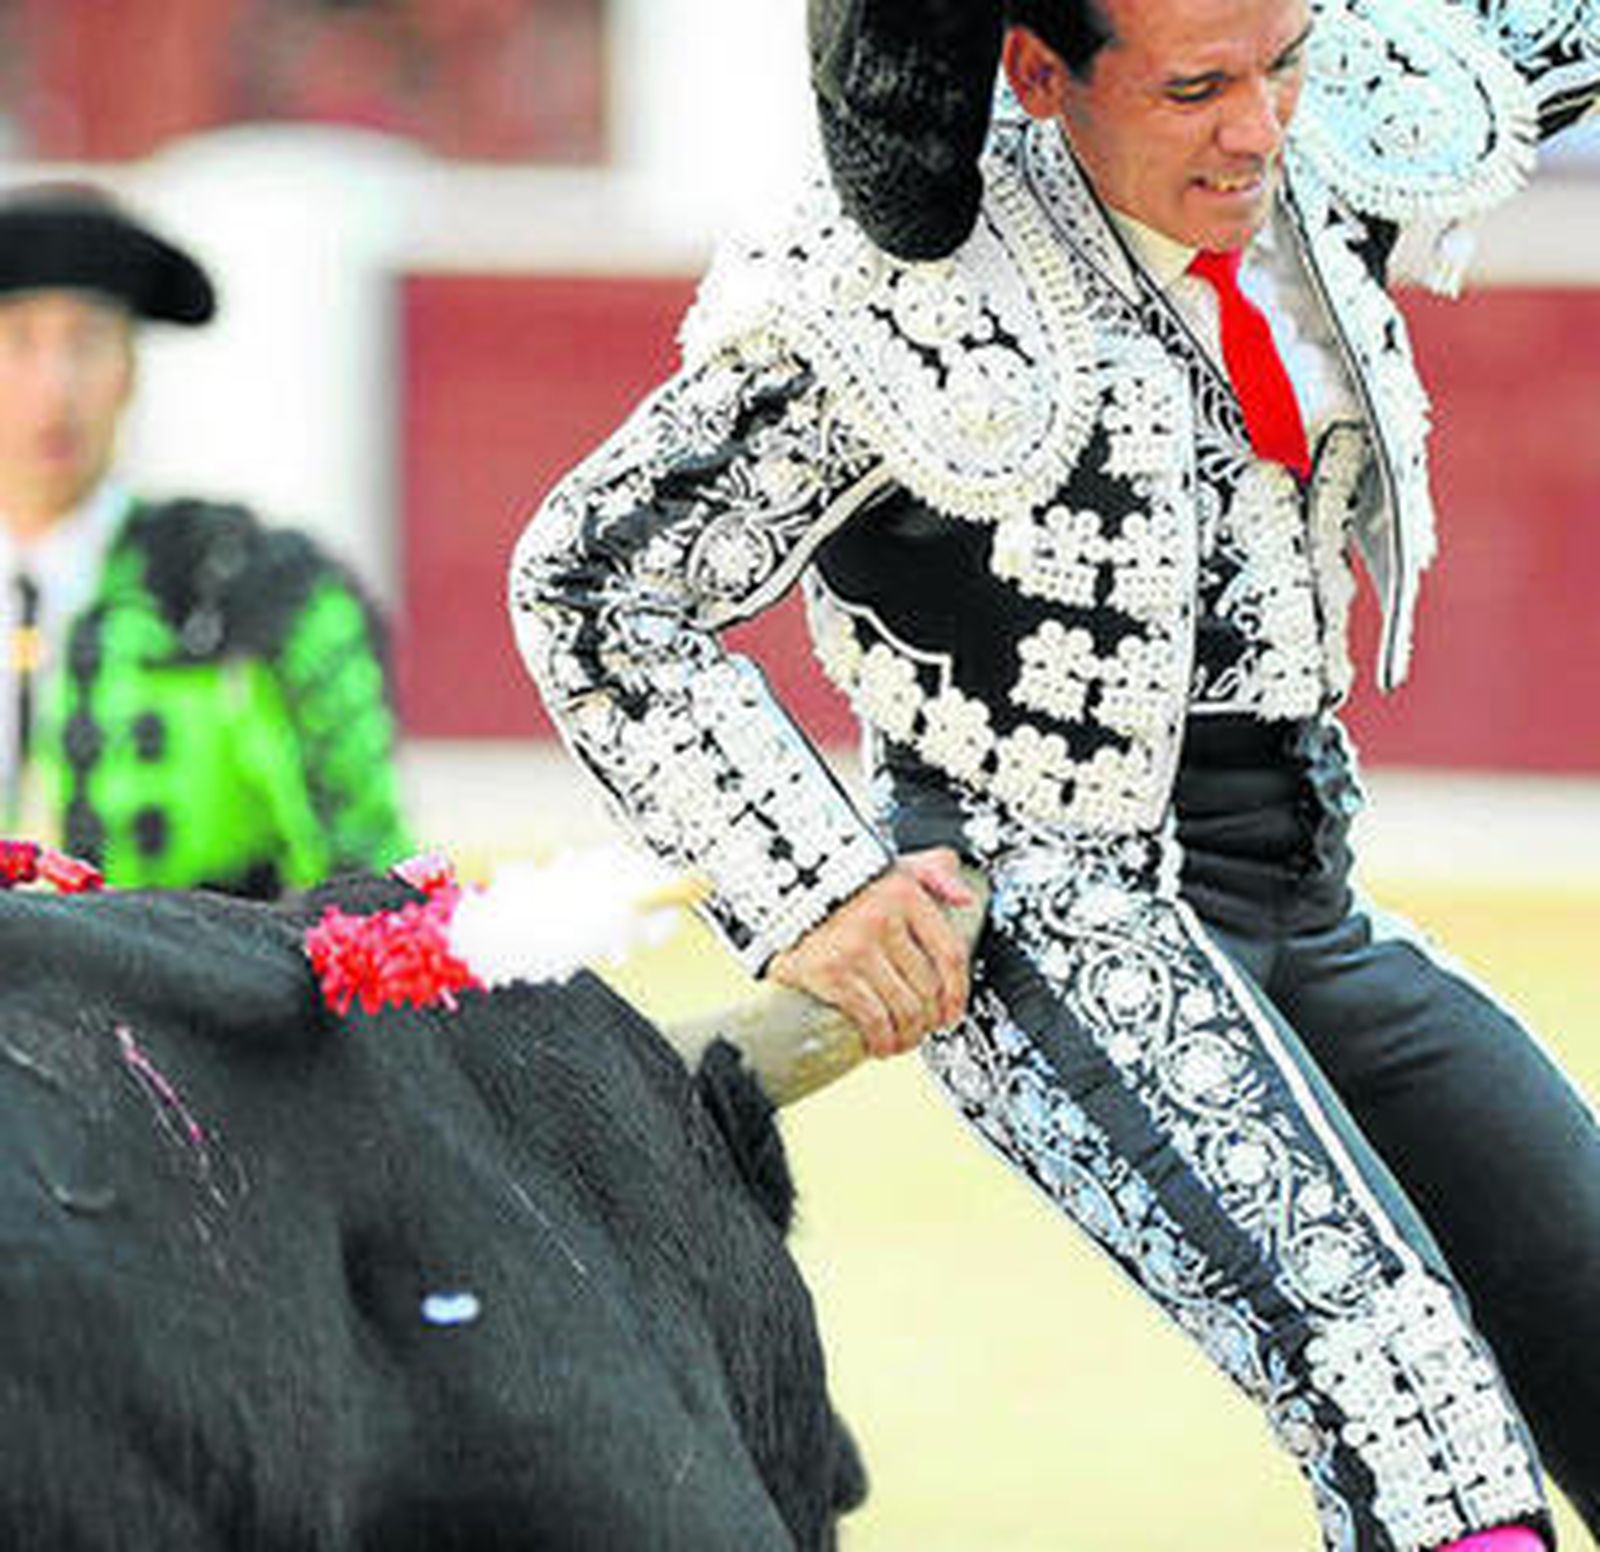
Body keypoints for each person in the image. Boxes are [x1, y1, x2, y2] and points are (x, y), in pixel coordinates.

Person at [509, 2, 1600, 1547]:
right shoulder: (906, 282)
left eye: (1285, 61)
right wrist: (818, 890)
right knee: (1402, 1390)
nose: (1263, 128)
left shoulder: (1301, 150)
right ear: (1037, 71)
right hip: (1048, 918)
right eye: (1199, 88)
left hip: (1304, 898)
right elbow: (596, 581)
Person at [0, 181, 410, 895]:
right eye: (18, 341)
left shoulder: (253, 588)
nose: (53, 388)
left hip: (188, 1004)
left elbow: (365, 883)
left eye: (88, 343)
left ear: (129, 370)